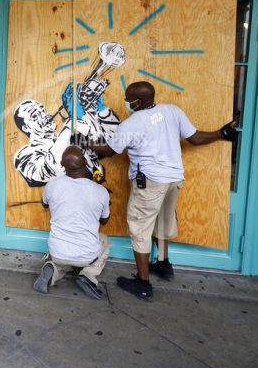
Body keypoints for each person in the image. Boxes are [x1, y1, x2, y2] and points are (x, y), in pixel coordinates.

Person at [89, 81, 236, 300]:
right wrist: (221, 133)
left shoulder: (131, 124)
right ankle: (163, 265)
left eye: (128, 99)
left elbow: (110, 151)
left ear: (137, 102)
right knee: (164, 220)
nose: (126, 102)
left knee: (140, 228)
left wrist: (87, 144)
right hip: (174, 179)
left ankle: (143, 283)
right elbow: (195, 138)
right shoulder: (172, 111)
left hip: (149, 182)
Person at [33, 146, 111, 300]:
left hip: (57, 251)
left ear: (62, 164)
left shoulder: (51, 185)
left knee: (64, 260)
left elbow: (45, 205)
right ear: (85, 162)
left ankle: (52, 269)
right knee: (105, 240)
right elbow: (104, 220)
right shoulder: (100, 191)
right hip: (86, 254)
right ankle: (88, 275)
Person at [13, 82, 120, 187]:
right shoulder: (24, 156)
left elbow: (111, 145)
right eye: (35, 116)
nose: (44, 115)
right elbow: (52, 168)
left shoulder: (72, 137)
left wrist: (101, 111)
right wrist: (74, 121)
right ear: (26, 127)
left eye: (43, 110)